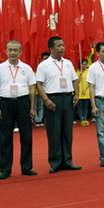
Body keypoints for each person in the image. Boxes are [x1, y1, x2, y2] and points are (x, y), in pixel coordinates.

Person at [0, 40, 37, 179]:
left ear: (20, 52)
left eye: (15, 50)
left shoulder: (26, 68)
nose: (12, 53)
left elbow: (32, 88)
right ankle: (5, 169)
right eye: (10, 50)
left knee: (27, 136)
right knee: (5, 137)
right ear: (6, 51)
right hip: (5, 104)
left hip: (23, 102)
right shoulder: (0, 68)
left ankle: (27, 167)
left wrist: (32, 107)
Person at [36, 36, 81, 173]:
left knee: (68, 131)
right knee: (54, 132)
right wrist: (46, 100)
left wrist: (76, 95)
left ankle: (68, 161)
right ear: (51, 49)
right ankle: (55, 162)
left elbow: (75, 80)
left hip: (67, 99)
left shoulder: (68, 63)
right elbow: (39, 84)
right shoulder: (44, 65)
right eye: (59, 45)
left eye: (63, 45)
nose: (62, 48)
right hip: (52, 100)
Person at [34, 52, 50, 127]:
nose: (46, 60)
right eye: (44, 58)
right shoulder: (40, 67)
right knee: (35, 106)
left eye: (47, 58)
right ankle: (36, 120)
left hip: (46, 91)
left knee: (42, 106)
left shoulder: (51, 67)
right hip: (36, 91)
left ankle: (41, 120)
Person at [77, 59, 90, 126]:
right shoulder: (77, 71)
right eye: (83, 64)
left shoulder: (88, 71)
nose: (85, 66)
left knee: (85, 107)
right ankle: (81, 119)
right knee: (80, 106)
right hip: (79, 91)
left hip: (86, 91)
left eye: (85, 64)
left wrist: (85, 89)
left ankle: (85, 119)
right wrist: (80, 75)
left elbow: (89, 82)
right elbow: (77, 82)